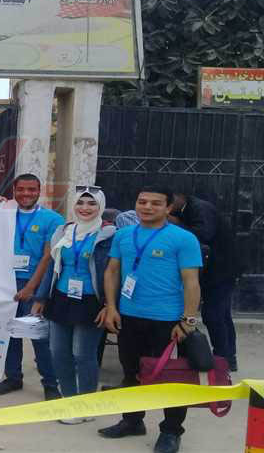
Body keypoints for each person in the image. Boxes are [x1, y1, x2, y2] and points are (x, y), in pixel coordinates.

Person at [96, 186, 202, 453]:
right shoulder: (123, 235)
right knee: (131, 372)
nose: (147, 207)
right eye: (142, 202)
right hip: (129, 317)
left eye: (156, 203)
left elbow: (191, 281)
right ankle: (132, 421)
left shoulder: (183, 238)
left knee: (171, 379)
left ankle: (171, 431)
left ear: (169, 208)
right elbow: (112, 271)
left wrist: (188, 320)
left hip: (168, 321)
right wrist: (111, 307)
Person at [33, 186, 115, 423]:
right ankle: (69, 402)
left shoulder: (109, 235)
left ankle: (85, 405)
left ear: (100, 207)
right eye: (80, 203)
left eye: (91, 204)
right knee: (58, 353)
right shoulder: (64, 231)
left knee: (83, 354)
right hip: (61, 299)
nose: (85, 208)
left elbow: (113, 273)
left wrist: (109, 305)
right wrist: (41, 298)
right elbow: (53, 266)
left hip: (92, 302)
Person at [0, 173, 63, 401]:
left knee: (39, 336)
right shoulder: (4, 214)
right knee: (9, 333)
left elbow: (48, 257)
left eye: (31, 189)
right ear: (14, 191)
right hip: (5, 283)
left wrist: (31, 288)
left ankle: (50, 383)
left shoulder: (53, 219)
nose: (26, 194)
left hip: (35, 284)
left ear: (39, 191)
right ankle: (13, 377)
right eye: (21, 189)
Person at [170, 192, 238, 371]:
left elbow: (203, 234)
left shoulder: (200, 209)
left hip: (220, 271)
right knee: (221, 315)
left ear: (179, 197)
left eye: (169, 201)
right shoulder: (184, 210)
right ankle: (228, 357)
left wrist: (176, 224)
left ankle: (223, 358)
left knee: (214, 315)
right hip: (211, 271)